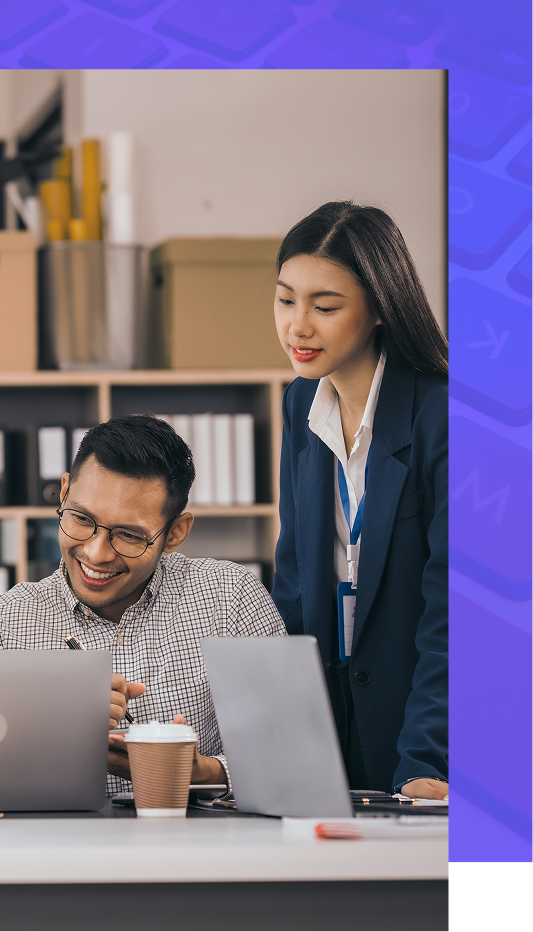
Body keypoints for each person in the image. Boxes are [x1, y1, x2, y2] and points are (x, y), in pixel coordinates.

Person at [0, 414, 286, 796]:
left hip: (201, 848)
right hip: (51, 850)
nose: (96, 554)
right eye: (82, 519)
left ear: (175, 533)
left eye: (129, 535)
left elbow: (292, 754)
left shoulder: (231, 597)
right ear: (63, 494)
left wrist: (200, 772)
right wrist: (54, 730)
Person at [270, 201, 448, 799]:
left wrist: (427, 759)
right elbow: (295, 581)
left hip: (425, 738)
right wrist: (283, 741)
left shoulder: (445, 416)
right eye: (285, 299)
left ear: (378, 308)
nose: (298, 326)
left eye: (324, 306)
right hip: (334, 730)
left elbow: (455, 613)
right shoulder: (301, 406)